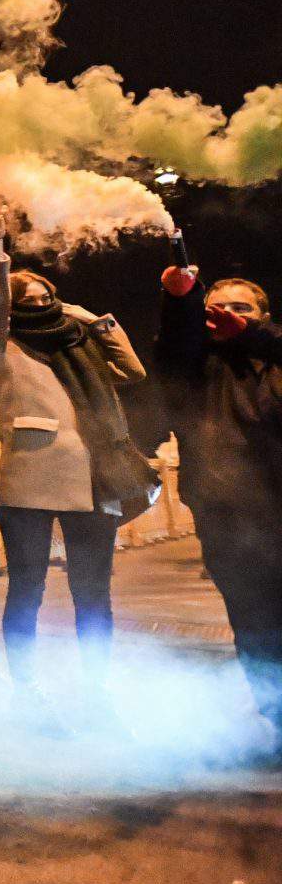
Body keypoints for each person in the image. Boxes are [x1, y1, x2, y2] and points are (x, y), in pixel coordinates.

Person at [0, 203, 153, 733]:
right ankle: (25, 692)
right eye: (25, 297)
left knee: (93, 591)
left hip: (93, 481)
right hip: (28, 480)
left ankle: (96, 690)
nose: (37, 301)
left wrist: (90, 319)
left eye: (44, 295)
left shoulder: (81, 343)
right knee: (26, 588)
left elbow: (133, 370)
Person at [157, 262, 282, 747]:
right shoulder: (193, 364)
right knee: (254, 625)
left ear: (263, 314)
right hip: (229, 516)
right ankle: (276, 721)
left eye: (241, 308)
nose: (228, 314)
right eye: (218, 307)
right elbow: (173, 346)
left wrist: (254, 336)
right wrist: (180, 300)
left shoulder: (274, 357)